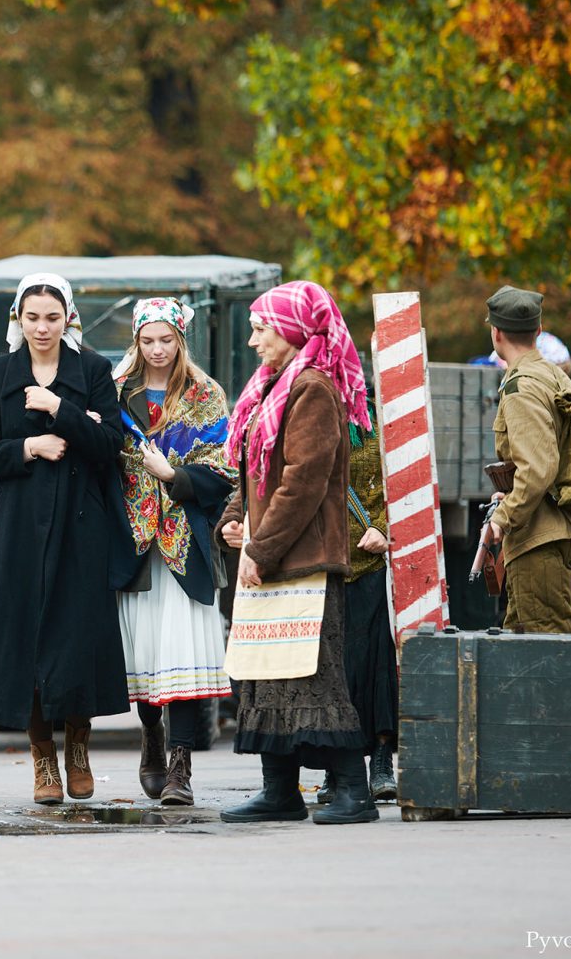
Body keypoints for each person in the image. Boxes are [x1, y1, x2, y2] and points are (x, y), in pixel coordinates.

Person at [214, 280, 375, 825]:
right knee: (264, 673)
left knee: (316, 674)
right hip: (272, 555)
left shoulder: (312, 389)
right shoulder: (267, 387)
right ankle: (279, 789)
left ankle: (356, 790)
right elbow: (252, 469)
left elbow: (303, 480)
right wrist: (235, 521)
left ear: (291, 329)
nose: (254, 340)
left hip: (303, 558)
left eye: (261, 328)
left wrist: (260, 549)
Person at [0, 271, 128, 805]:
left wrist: (61, 410)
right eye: (32, 317)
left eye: (52, 317)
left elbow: (109, 444)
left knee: (75, 639)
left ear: (68, 319)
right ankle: (42, 758)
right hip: (18, 529)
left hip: (82, 526)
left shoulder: (94, 369)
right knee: (27, 643)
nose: (42, 327)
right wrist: (32, 447)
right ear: (19, 319)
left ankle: (78, 748)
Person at [109, 297, 235, 805]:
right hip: (135, 538)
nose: (157, 350)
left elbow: (223, 471)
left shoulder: (205, 394)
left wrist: (174, 476)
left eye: (166, 340)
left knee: (182, 652)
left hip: (186, 539)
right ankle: (151, 735)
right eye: (147, 340)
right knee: (146, 650)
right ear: (136, 342)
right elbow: (106, 458)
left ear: (180, 339)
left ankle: (180, 767)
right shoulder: (119, 393)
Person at [481, 287, 571, 634]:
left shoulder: (522, 387)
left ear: (496, 332)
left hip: (542, 539)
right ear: (539, 329)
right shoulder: (551, 374)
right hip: (562, 527)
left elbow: (538, 468)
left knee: (550, 668)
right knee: (526, 655)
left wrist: (503, 517)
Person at [323, 391, 398, 804]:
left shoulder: (379, 425)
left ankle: (382, 759)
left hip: (371, 564)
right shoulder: (310, 418)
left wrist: (384, 527)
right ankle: (338, 766)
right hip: (325, 566)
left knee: (376, 663)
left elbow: (403, 483)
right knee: (335, 671)